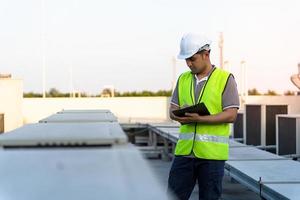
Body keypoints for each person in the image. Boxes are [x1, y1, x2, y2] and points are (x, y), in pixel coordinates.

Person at [167, 33, 240, 200]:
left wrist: (199, 119)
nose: (189, 63)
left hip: (211, 157)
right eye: (186, 60)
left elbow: (231, 115)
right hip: (184, 154)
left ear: (206, 54)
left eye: (192, 59)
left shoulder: (225, 79)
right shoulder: (183, 79)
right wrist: (178, 115)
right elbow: (172, 110)